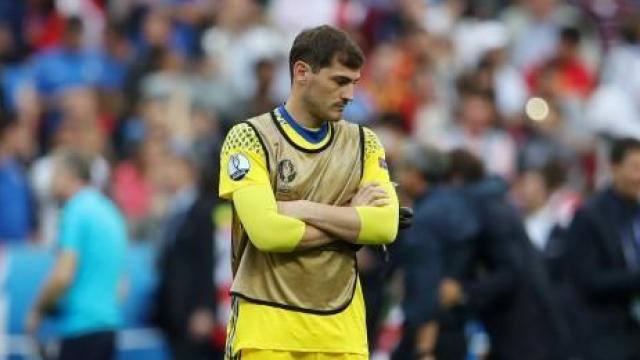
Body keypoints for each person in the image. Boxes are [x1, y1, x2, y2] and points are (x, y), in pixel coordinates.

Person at [218, 25, 399, 360]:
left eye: (354, 83)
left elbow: (386, 226)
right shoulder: (248, 138)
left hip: (341, 334)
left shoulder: (365, 143)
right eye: (340, 81)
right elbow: (268, 233)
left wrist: (300, 208)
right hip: (267, 330)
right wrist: (350, 221)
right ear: (302, 72)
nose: (350, 95)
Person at [25, 150, 128, 360]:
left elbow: (63, 274)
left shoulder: (75, 211)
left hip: (80, 330)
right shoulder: (111, 211)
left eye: (54, 174)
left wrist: (37, 310)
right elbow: (122, 285)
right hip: (108, 328)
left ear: (69, 176)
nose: (50, 182)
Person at [565, 138, 640, 359]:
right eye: (635, 168)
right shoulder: (589, 216)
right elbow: (587, 279)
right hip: (604, 333)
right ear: (614, 167)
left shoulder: (636, 212)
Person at [155, 151, 220, 360]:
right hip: (174, 312)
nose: (166, 172)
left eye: (172, 166)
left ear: (189, 171)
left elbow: (209, 259)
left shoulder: (204, 209)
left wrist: (206, 307)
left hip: (194, 312)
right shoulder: (173, 208)